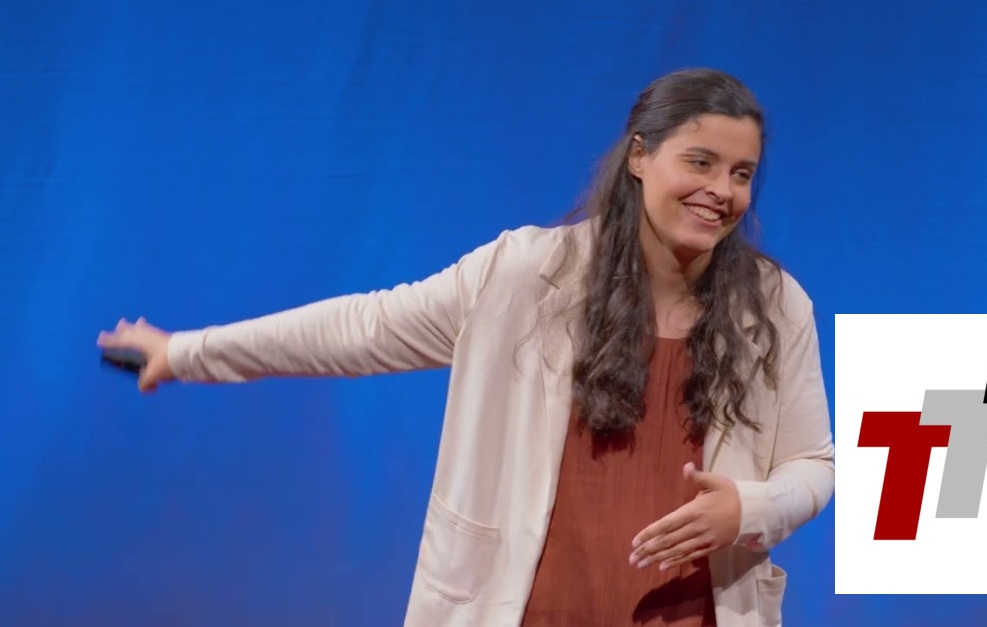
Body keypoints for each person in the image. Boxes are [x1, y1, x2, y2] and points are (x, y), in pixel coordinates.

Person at [97, 67, 834, 626]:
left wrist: (750, 507)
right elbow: (363, 328)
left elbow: (815, 464)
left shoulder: (773, 305)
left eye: (741, 174)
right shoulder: (525, 274)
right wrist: (188, 351)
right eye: (700, 162)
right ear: (640, 156)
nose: (722, 191)